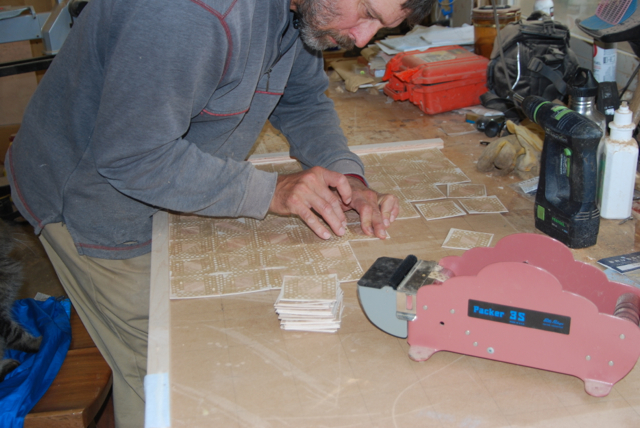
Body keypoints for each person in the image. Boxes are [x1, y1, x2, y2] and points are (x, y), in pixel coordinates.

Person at [6, 0, 433, 426]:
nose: (361, 39)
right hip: (93, 201)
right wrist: (271, 190)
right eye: (367, 13)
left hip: (165, 175)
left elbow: (302, 101)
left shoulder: (305, 10)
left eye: (380, 27)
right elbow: (133, 156)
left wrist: (348, 179)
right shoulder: (189, 13)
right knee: (168, 377)